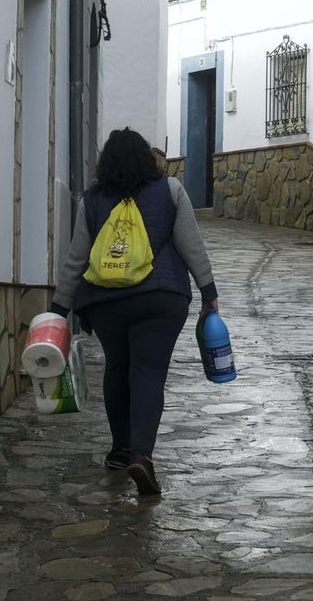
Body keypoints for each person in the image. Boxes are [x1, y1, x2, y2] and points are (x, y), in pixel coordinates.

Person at [51, 128, 219, 496]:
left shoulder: (92, 201)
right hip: (160, 298)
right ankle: (142, 455)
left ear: (106, 162)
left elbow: (76, 258)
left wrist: (58, 308)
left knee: (118, 368)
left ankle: (120, 448)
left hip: (107, 302)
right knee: (149, 372)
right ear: (148, 158)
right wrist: (209, 291)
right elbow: (190, 244)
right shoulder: (170, 190)